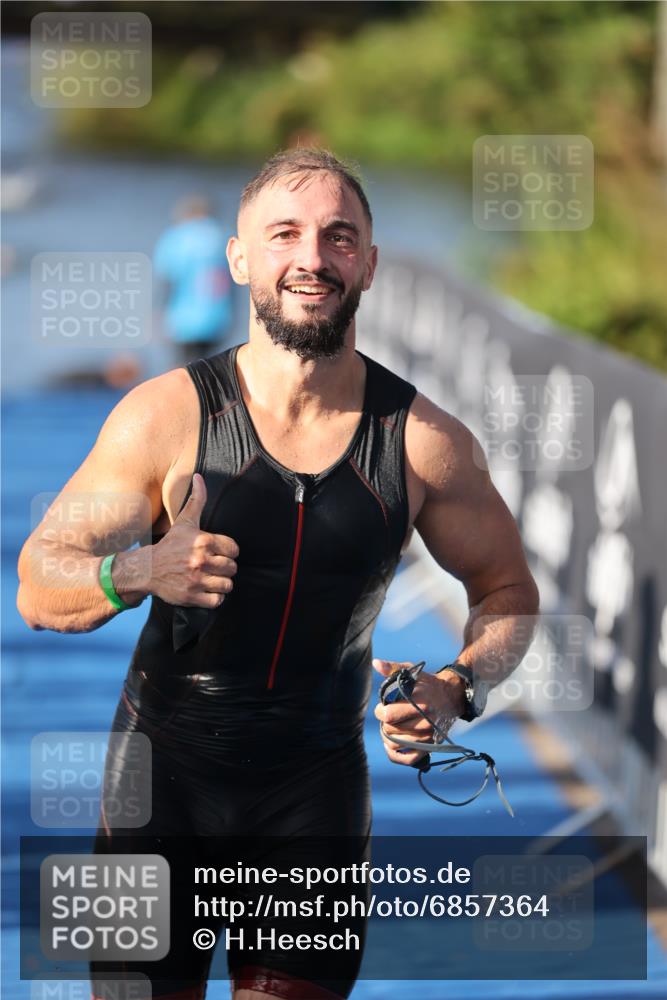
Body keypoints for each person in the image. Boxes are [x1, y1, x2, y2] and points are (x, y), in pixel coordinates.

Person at [17, 148, 539, 1000]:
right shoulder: (164, 417)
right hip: (156, 787)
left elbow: (508, 594)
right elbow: (39, 584)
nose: (312, 258)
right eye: (284, 234)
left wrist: (457, 687)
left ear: (369, 263)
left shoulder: (424, 443)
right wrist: (141, 568)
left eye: (339, 238)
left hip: (312, 797)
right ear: (238, 259)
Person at [154, 194, 234, 365]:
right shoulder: (223, 237)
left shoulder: (176, 237)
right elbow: (232, 282)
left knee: (182, 370)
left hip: (183, 319)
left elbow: (167, 281)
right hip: (217, 319)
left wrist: (158, 313)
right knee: (208, 368)